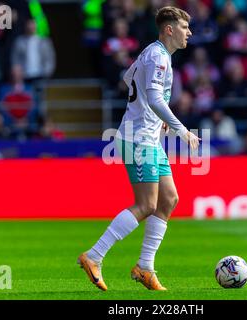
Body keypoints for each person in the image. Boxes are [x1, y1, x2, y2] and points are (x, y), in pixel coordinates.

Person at [77, 6, 200, 291]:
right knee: (146, 205)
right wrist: (181, 129)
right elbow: (156, 98)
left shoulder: (151, 52)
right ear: (169, 29)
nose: (189, 33)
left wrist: (153, 115)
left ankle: (145, 267)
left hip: (148, 136)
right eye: (184, 27)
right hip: (138, 138)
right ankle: (94, 256)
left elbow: (128, 78)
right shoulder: (158, 56)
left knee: (169, 199)